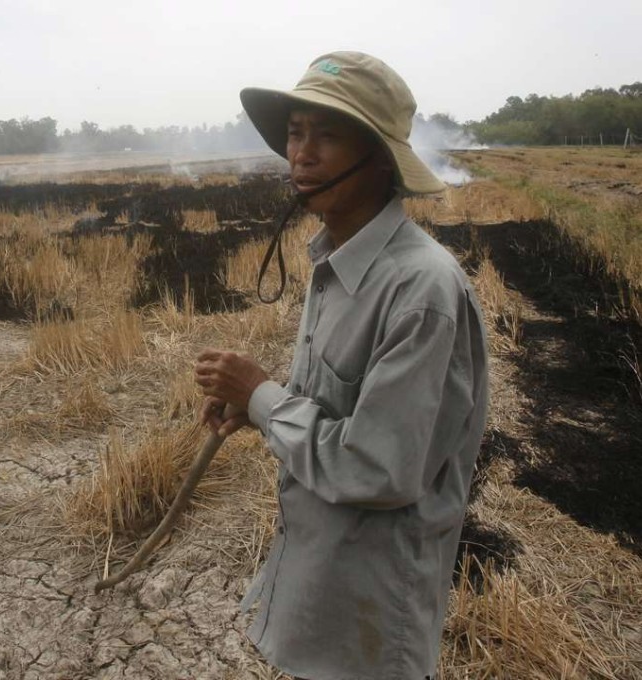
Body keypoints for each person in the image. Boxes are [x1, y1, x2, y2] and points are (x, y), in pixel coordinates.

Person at [193, 51, 489, 680]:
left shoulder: (420, 289)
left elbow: (376, 467)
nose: (301, 153)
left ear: (381, 157)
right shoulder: (339, 260)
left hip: (372, 609)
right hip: (324, 580)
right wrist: (255, 407)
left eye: (326, 135)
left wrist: (262, 396)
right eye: (296, 132)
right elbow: (338, 406)